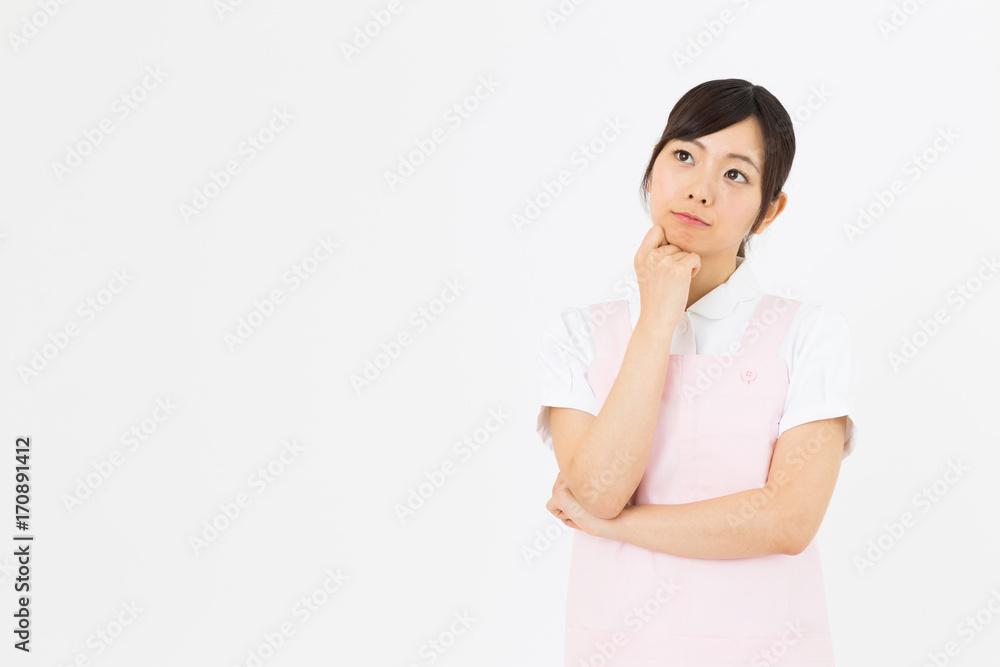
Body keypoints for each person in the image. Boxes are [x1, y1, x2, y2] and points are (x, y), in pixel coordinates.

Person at [536, 78, 859, 666]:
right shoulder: (581, 334)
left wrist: (614, 527)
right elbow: (597, 491)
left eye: (736, 174)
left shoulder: (809, 334)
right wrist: (658, 319)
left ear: (770, 210)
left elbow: (787, 520)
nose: (700, 190)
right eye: (684, 156)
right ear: (652, 170)